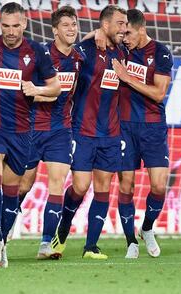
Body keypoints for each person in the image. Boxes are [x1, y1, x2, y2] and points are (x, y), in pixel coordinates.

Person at [0, 2, 60, 267]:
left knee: (11, 190)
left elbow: (56, 88)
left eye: (16, 26)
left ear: (25, 24)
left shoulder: (37, 52)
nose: (10, 31)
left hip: (21, 130)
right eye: (5, 26)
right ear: (0, 24)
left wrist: (36, 90)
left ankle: (3, 239)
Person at [51, 5, 127, 260]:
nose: (123, 28)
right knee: (81, 186)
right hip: (82, 130)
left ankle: (91, 246)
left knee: (104, 186)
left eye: (125, 24)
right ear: (104, 25)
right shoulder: (84, 51)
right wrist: (91, 34)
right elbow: (65, 56)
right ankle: (62, 228)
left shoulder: (123, 52)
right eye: (119, 24)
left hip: (111, 133)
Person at [17, 6, 82, 259]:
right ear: (55, 30)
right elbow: (27, 89)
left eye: (74, 25)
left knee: (57, 184)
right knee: (23, 184)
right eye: (66, 25)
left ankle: (46, 243)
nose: (71, 30)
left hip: (61, 131)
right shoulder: (39, 55)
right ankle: (2, 230)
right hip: (33, 127)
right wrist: (41, 93)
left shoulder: (78, 58)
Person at [112, 9, 173, 258]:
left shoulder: (161, 52)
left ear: (141, 29)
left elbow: (159, 94)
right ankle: (130, 242)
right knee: (126, 184)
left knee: (159, 186)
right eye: (122, 33)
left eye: (128, 33)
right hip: (123, 126)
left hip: (153, 126)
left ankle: (146, 228)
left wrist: (126, 78)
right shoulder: (120, 50)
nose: (124, 38)